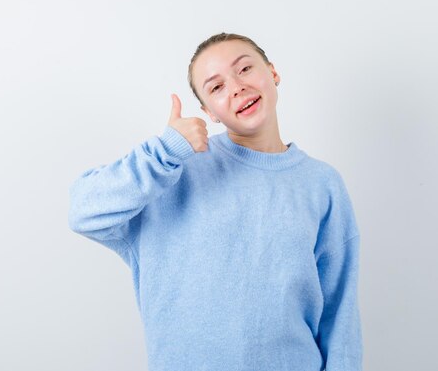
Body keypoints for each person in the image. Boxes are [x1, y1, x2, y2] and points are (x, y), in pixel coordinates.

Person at [68, 33, 363, 371]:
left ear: (273, 73)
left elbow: (340, 314)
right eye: (216, 87)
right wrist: (164, 151)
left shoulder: (321, 184)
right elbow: (83, 211)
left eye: (246, 69)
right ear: (209, 112)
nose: (236, 87)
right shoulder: (171, 172)